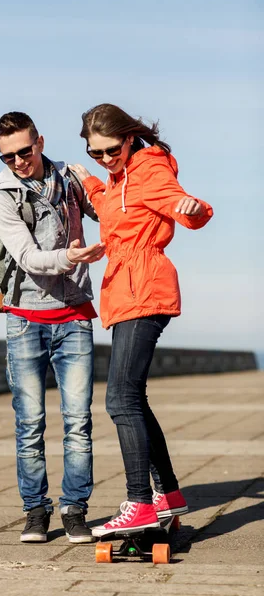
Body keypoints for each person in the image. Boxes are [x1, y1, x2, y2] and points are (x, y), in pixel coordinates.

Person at [70, 103, 213, 537]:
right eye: (96, 153)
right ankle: (168, 495)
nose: (105, 158)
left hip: (145, 291)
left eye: (111, 149)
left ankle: (139, 503)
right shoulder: (116, 179)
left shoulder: (149, 170)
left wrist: (190, 209)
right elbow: (110, 204)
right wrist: (89, 180)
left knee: (119, 400)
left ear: (129, 138)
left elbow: (187, 207)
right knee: (134, 399)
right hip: (127, 293)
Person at [0, 111, 105, 543]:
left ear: (39, 141)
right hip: (24, 318)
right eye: (7, 156)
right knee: (30, 423)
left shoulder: (70, 180)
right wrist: (70, 259)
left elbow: (110, 216)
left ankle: (74, 509)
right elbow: (27, 257)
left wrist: (93, 183)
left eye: (24, 150)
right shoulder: (2, 195)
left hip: (73, 316)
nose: (17, 161)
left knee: (78, 421)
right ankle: (35, 511)